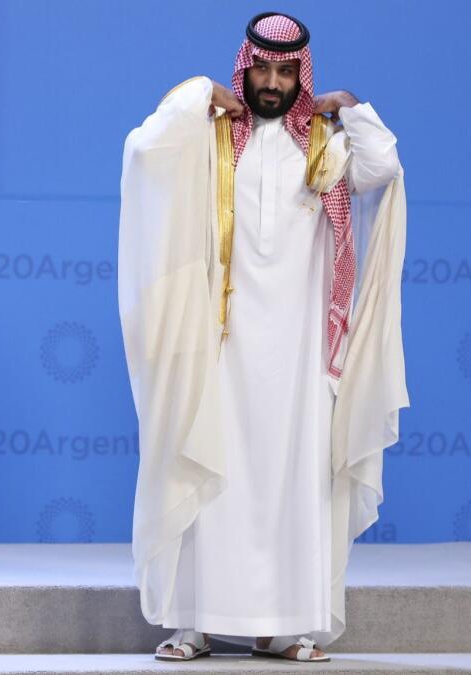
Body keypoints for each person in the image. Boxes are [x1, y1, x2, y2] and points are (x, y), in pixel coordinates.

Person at [118, 12, 408, 663]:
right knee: (206, 468)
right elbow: (142, 151)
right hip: (218, 347)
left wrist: (353, 108)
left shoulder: (326, 146)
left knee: (293, 482)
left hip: (300, 357)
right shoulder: (212, 138)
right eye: (263, 68)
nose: (272, 82)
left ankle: (284, 624)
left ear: (300, 74)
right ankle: (191, 622)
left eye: (286, 71)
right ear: (244, 66)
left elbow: (384, 168)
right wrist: (197, 94)